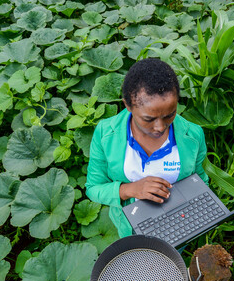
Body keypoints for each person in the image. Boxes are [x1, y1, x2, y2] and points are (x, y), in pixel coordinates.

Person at [85, 58, 209, 238]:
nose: (160, 127)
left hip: (179, 227)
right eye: (148, 119)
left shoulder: (193, 136)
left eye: (169, 115)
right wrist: (129, 190)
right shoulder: (106, 134)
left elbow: (200, 180)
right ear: (127, 105)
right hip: (129, 228)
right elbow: (93, 188)